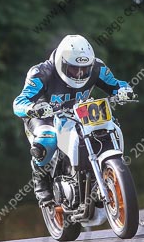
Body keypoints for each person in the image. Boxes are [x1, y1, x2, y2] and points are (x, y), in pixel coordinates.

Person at [12, 35, 134, 203]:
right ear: (61, 63)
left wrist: (125, 90)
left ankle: (100, 172)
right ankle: (41, 183)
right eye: (73, 69)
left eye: (84, 69)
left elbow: (116, 84)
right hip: (44, 116)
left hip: (79, 111)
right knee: (48, 140)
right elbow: (19, 102)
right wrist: (32, 108)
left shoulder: (98, 68)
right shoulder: (41, 73)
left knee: (108, 127)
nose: (79, 74)